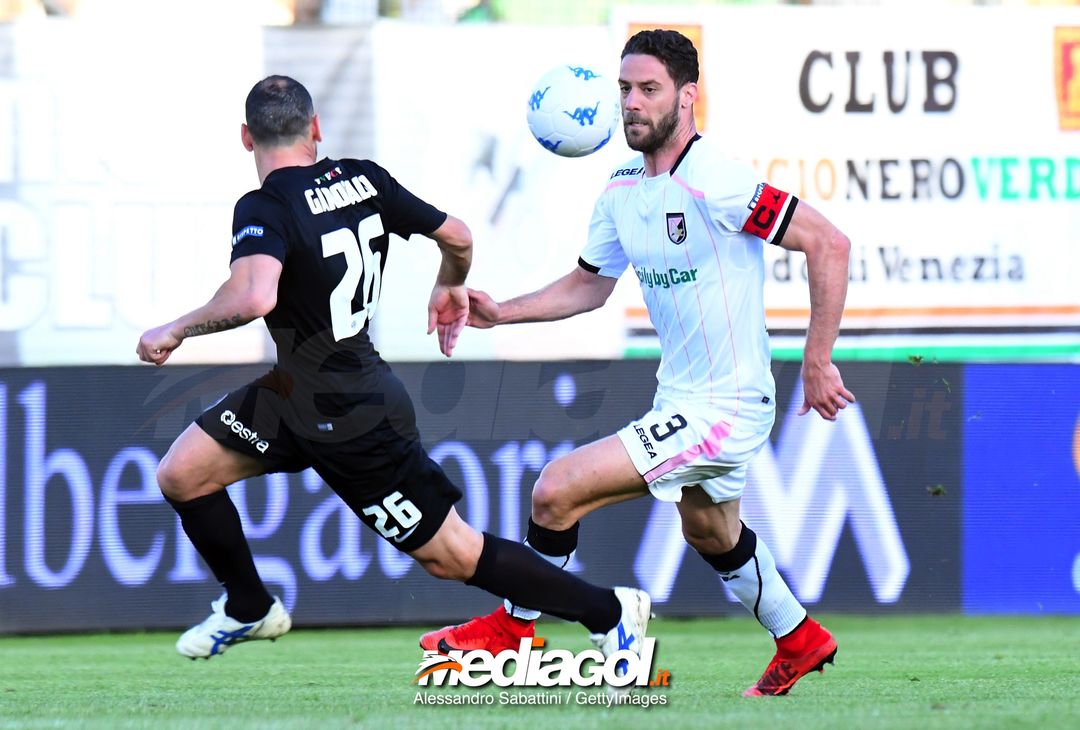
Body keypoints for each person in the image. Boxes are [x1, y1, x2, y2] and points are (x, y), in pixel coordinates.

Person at [135, 75, 649, 664]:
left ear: (246, 138)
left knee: (452, 555)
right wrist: (451, 284)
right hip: (294, 393)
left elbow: (254, 297)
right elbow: (456, 235)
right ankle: (250, 606)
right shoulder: (363, 178)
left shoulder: (264, 205)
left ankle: (608, 613)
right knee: (183, 473)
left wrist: (174, 328)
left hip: (349, 410)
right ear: (316, 128)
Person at [419, 30, 855, 698]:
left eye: (648, 90)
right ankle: (798, 638)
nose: (632, 104)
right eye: (624, 89)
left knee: (555, 489)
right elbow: (589, 286)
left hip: (726, 406)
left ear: (688, 97)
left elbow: (828, 243)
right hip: (681, 401)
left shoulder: (720, 181)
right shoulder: (622, 186)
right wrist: (500, 312)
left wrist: (818, 359)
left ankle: (514, 628)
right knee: (709, 529)